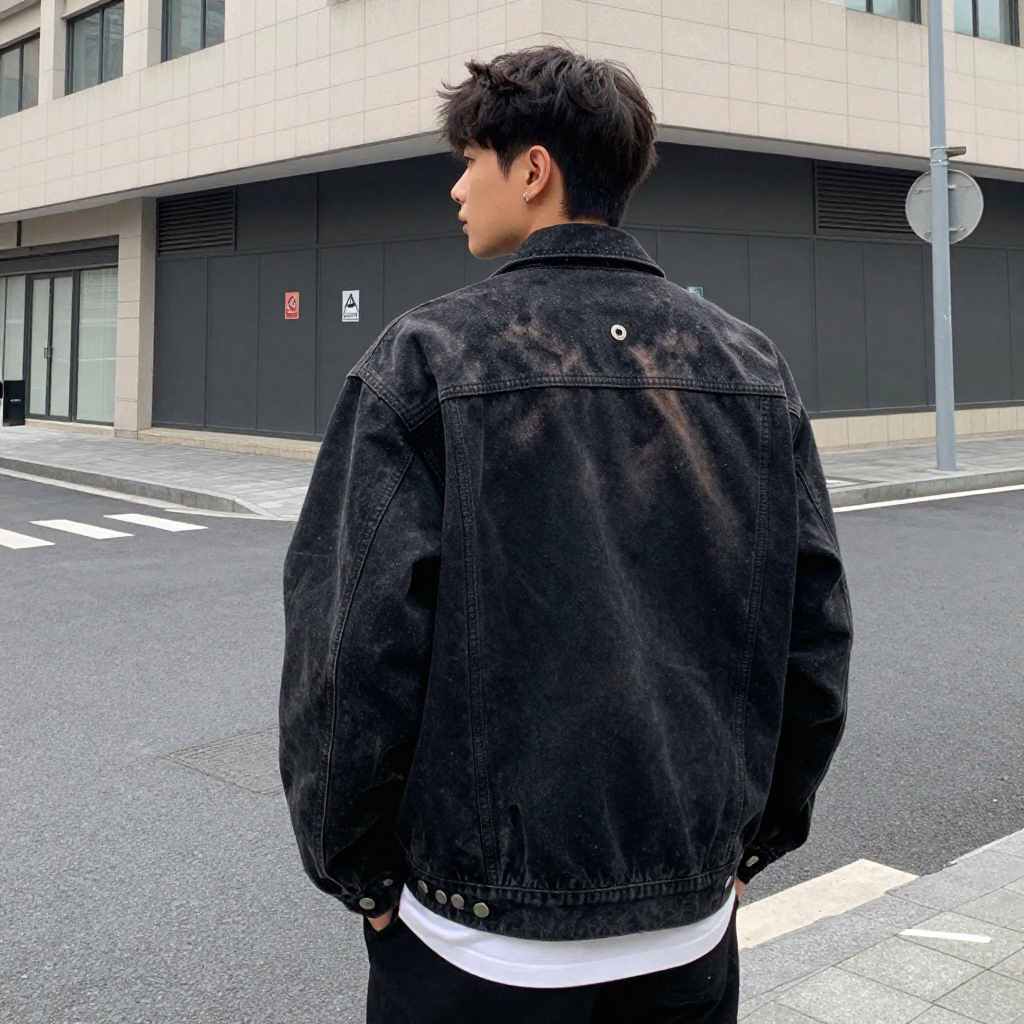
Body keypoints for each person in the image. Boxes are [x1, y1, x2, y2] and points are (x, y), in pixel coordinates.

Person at [279, 46, 853, 1024]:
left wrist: (362, 877)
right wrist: (744, 847)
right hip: (689, 933)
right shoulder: (751, 368)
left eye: (470, 159)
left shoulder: (426, 358)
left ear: (533, 169)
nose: (457, 187)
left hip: (475, 941)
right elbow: (812, 642)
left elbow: (348, 655)